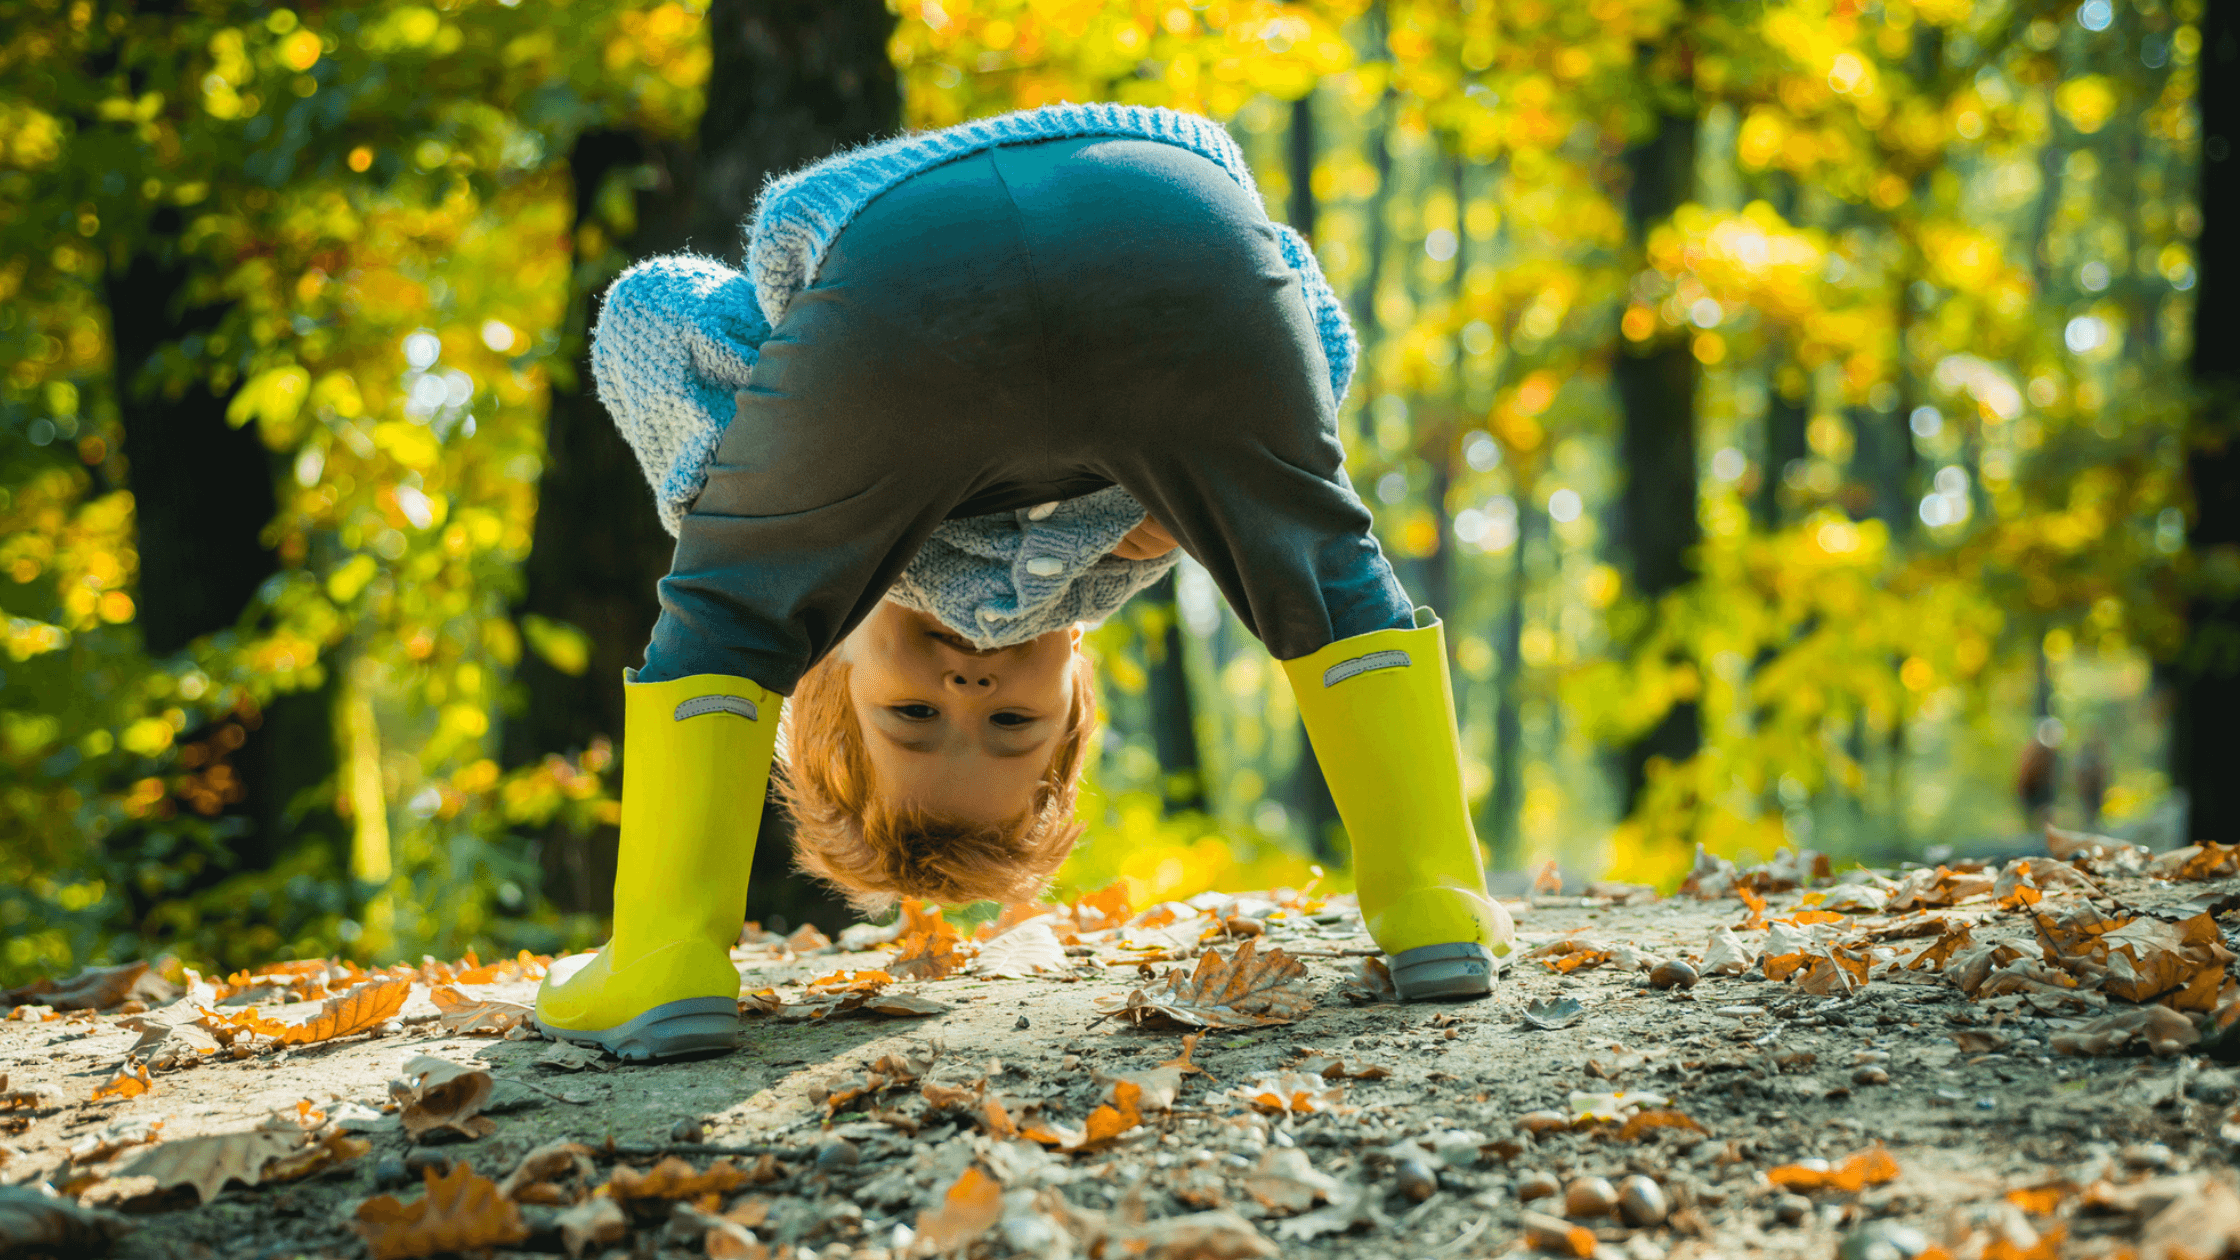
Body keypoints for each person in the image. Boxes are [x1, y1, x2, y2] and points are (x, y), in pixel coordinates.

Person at [534, 101, 1515, 1062]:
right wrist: (1173, 503)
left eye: (910, 718)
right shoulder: (1142, 542)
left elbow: (645, 310)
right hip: (1164, 203)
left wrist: (731, 495)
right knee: (1313, 561)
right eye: (1009, 728)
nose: (964, 692)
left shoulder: (831, 553)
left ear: (825, 668)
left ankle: (667, 951)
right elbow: (1305, 333)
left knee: (730, 611)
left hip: (909, 249)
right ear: (1073, 691)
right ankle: (1429, 897)